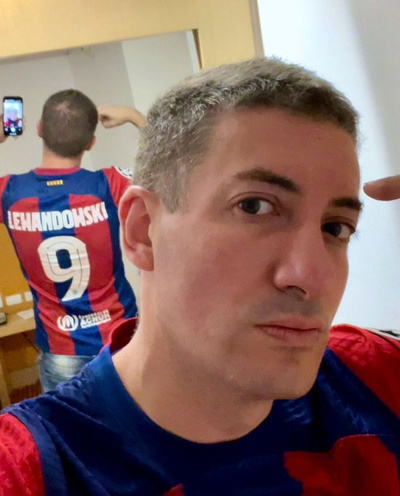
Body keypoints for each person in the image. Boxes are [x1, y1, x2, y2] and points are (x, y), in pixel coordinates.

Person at [1, 58, 400, 495]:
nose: (312, 278)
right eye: (254, 207)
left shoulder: (373, 374)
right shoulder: (33, 466)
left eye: (336, 228)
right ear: (142, 231)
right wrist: (133, 117)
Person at [0, 90, 145, 391]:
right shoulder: (108, 184)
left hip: (61, 350)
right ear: (91, 143)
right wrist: (134, 117)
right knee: (133, 419)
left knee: (69, 424)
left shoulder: (10, 193)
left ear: (39, 129)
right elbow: (174, 170)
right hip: (122, 338)